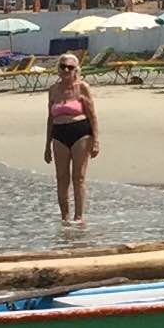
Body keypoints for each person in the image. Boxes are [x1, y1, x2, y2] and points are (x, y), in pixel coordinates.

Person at [44, 53, 99, 223]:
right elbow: (50, 118)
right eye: (63, 67)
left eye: (70, 67)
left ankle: (79, 217)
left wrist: (95, 140)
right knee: (61, 177)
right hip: (59, 134)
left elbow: (92, 115)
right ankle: (65, 218)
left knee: (78, 177)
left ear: (76, 70)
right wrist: (47, 145)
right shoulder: (53, 90)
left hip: (81, 132)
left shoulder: (82, 88)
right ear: (58, 69)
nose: (66, 70)